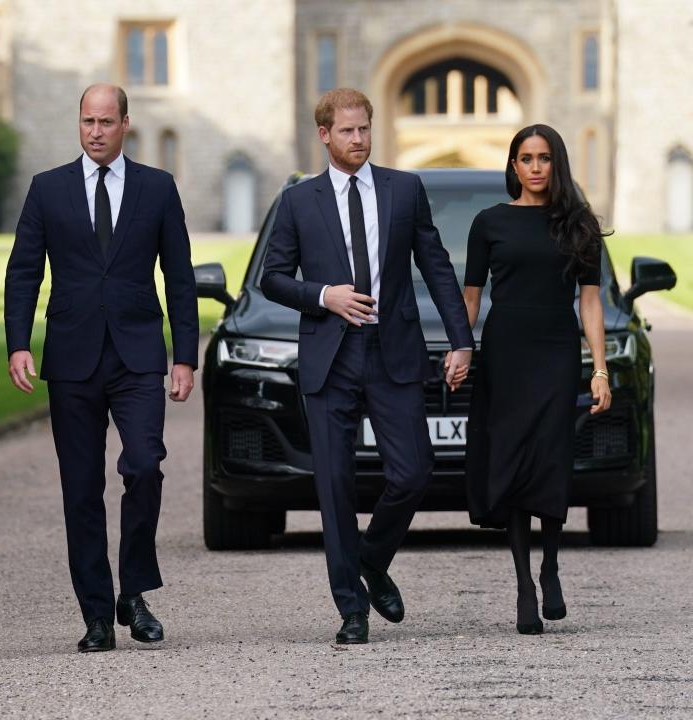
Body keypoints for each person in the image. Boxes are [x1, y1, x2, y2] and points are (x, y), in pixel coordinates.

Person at [261, 88, 474, 644]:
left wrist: (461, 339)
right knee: (334, 487)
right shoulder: (298, 202)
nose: (358, 139)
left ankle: (372, 559)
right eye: (347, 131)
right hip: (329, 356)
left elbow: (437, 266)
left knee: (413, 472)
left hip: (392, 351)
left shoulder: (404, 189)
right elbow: (272, 277)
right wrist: (324, 295)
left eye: (365, 129)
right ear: (325, 135)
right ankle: (351, 610)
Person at [4, 84, 198, 653]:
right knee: (81, 488)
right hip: (72, 357)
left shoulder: (157, 188)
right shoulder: (47, 190)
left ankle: (133, 591)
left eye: (106, 121)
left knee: (143, 467)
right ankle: (95, 614)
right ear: (79, 124)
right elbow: (23, 274)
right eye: (87, 121)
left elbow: (181, 278)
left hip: (138, 355)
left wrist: (183, 355)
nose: (95, 131)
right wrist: (19, 343)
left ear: (125, 125)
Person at [461, 124, 612, 635]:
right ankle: (523, 582)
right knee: (513, 459)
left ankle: (550, 567)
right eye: (525, 158)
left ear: (556, 164)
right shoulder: (489, 223)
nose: (534, 167)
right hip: (506, 354)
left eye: (544, 158)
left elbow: (590, 302)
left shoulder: (579, 225)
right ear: (513, 166)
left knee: (550, 457)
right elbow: (471, 298)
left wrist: (600, 369)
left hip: (557, 352)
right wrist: (462, 349)